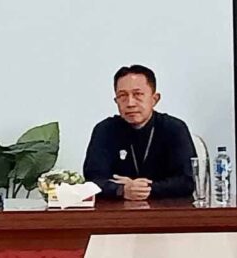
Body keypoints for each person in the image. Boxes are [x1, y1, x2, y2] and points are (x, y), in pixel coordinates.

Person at [83, 65, 196, 201]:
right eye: (122, 96)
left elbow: (187, 181)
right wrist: (121, 190)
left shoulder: (174, 128)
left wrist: (144, 189)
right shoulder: (105, 130)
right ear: (116, 101)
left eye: (138, 94)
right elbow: (92, 181)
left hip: (167, 209)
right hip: (117, 211)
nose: (130, 103)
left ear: (155, 99)